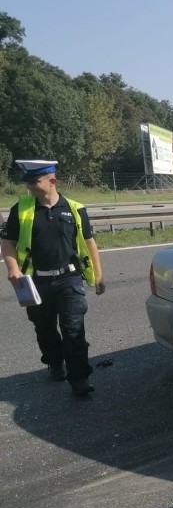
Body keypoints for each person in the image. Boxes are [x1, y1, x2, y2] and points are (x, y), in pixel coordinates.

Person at [0, 160, 106, 396]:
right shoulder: (22, 208)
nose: (30, 188)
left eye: (34, 182)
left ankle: (79, 379)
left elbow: (89, 243)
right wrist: (12, 268)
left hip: (70, 278)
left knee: (74, 330)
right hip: (37, 282)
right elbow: (7, 243)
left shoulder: (76, 209)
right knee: (44, 328)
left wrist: (98, 275)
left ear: (52, 181)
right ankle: (55, 361)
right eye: (28, 183)